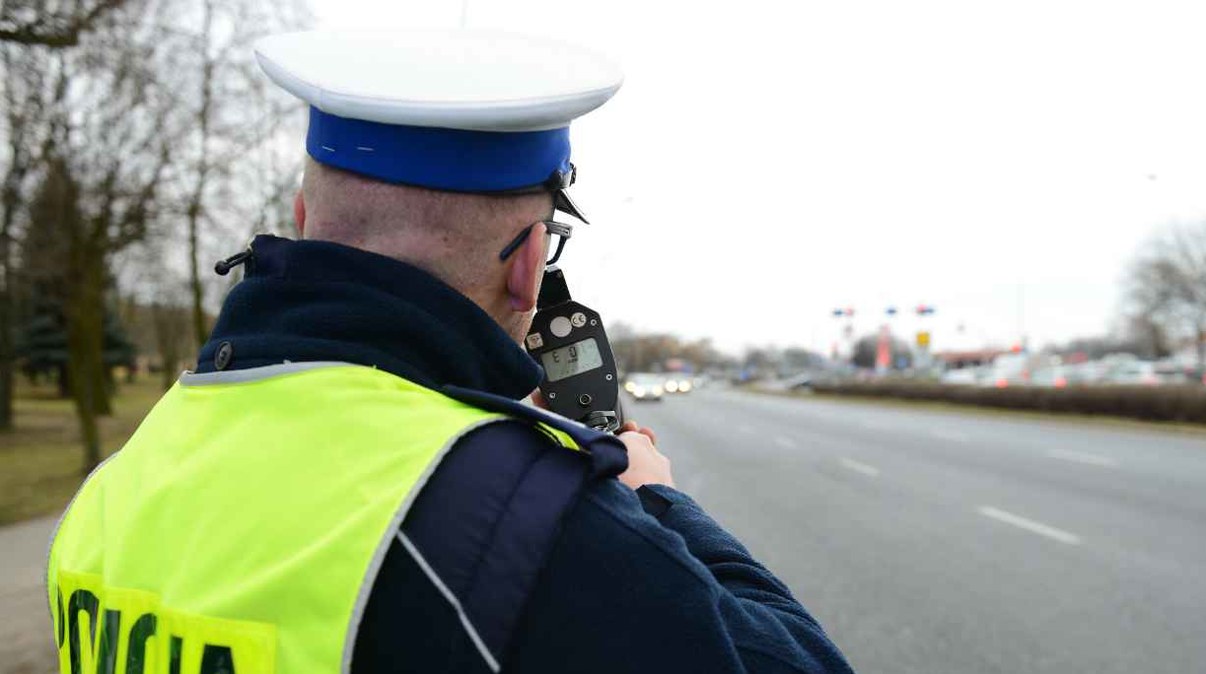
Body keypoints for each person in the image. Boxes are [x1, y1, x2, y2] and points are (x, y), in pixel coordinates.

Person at [46, 30, 855, 674]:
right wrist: (659, 503)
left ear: (301, 214)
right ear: (531, 261)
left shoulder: (121, 481)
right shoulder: (525, 517)